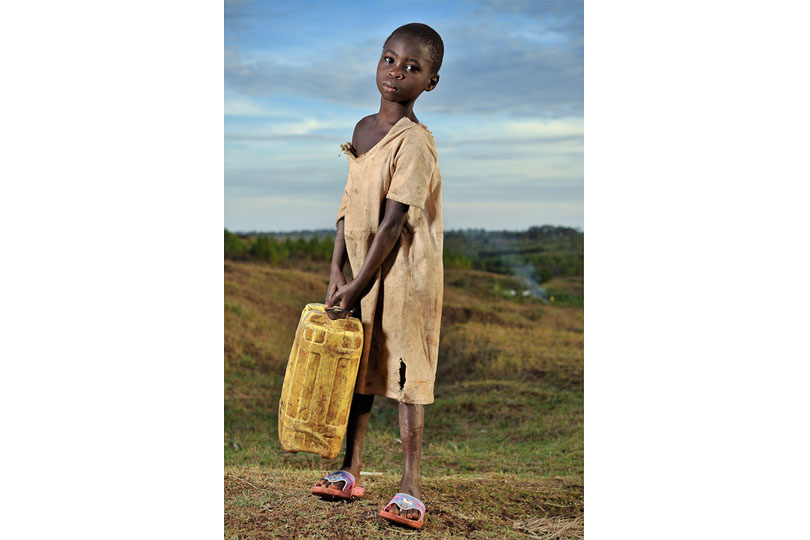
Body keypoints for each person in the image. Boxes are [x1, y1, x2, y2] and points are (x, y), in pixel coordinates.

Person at [309, 22, 444, 530]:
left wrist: (360, 284)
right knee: (358, 368)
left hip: (407, 274)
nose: (397, 72)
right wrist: (337, 267)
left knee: (407, 373)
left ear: (430, 82)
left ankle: (410, 487)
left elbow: (392, 222)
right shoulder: (364, 129)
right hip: (361, 269)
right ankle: (350, 468)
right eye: (390, 59)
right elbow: (351, 204)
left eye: (413, 67)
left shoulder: (416, 143)